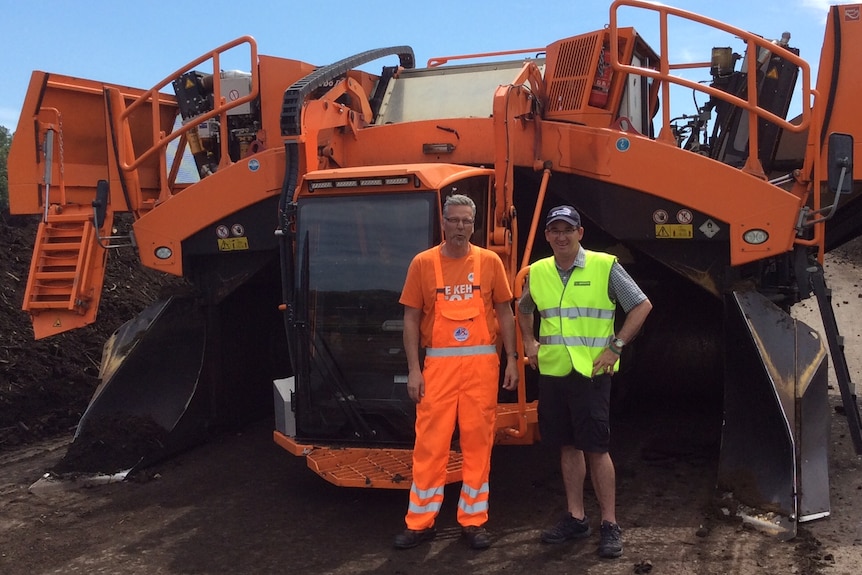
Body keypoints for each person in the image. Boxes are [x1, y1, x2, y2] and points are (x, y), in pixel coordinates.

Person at [518, 205, 652, 559]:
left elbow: (641, 305)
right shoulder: (539, 271)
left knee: (596, 448)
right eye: (555, 230)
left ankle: (609, 523)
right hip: (554, 372)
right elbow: (524, 307)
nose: (561, 236)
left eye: (568, 229)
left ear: (580, 233)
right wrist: (529, 342)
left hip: (592, 373)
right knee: (566, 445)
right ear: (547, 235)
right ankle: (576, 517)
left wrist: (616, 347)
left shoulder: (604, 266)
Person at [394, 194, 519, 551]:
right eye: (454, 220)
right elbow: (411, 318)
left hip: (481, 368)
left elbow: (505, 313)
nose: (460, 227)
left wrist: (512, 359)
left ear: (473, 224)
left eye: (466, 221)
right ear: (443, 222)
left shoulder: (490, 261)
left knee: (478, 445)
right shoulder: (423, 263)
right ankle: (420, 523)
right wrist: (414, 370)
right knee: (430, 446)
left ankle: (474, 521)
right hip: (437, 368)